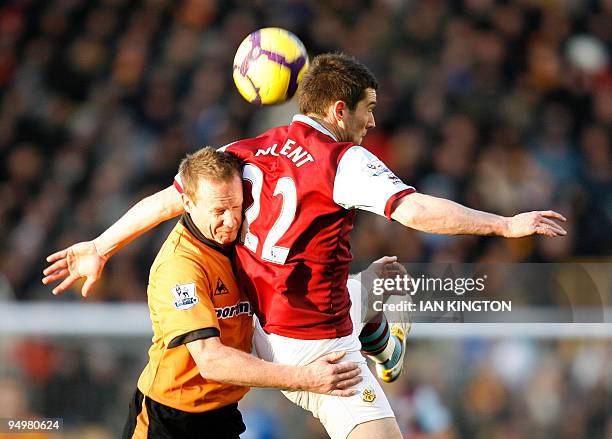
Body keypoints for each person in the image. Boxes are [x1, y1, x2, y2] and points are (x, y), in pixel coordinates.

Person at [43, 53, 566, 439]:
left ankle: (379, 334)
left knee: (387, 278)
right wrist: (504, 225)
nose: (373, 122)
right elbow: (416, 211)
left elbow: (165, 201)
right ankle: (374, 339)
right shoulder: (342, 160)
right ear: (340, 110)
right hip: (314, 347)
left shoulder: (242, 151)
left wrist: (102, 246)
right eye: (368, 109)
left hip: (258, 323)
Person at [119, 147, 362, 438]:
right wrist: (305, 378)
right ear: (187, 202)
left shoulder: (246, 237)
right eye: (218, 211)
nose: (231, 221)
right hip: (169, 419)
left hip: (223, 412)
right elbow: (211, 360)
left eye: (236, 207)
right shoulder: (180, 266)